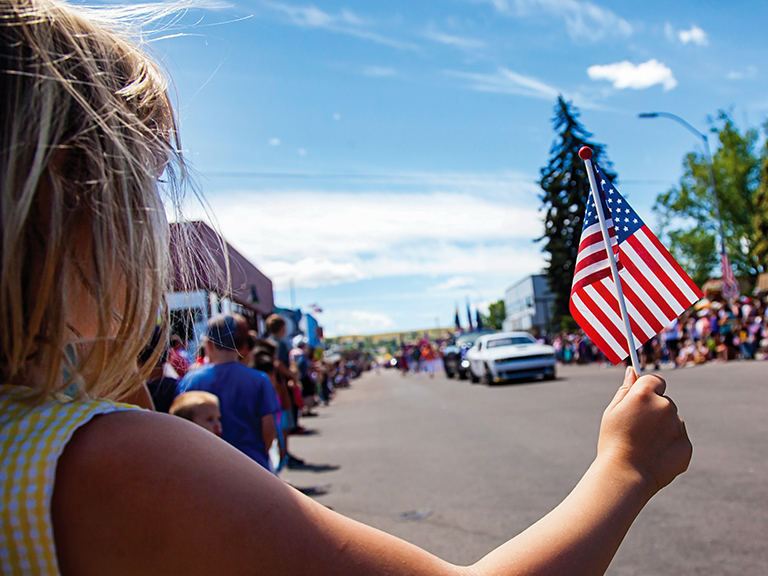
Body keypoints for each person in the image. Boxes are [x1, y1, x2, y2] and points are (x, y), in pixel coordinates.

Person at [0, 2, 692, 575]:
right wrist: (624, 470)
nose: (156, 223)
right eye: (145, 182)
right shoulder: (111, 463)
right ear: (69, 189)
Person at [176, 314, 281, 470]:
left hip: (208, 467)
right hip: (253, 466)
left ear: (209, 345)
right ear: (244, 347)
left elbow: (182, 430)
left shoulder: (191, 381)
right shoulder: (259, 380)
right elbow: (269, 429)